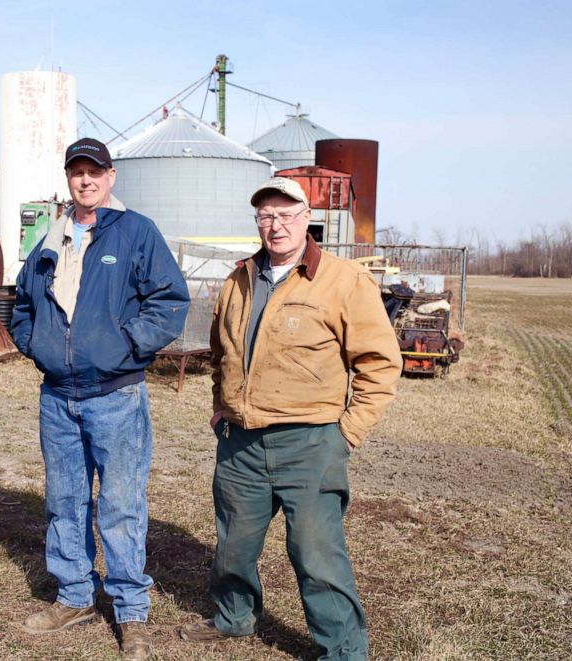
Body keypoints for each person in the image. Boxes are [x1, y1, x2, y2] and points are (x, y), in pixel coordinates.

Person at [178, 177, 401, 660]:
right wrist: (221, 409)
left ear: (306, 219)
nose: (274, 226)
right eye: (265, 217)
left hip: (311, 443)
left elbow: (380, 363)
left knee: (316, 554)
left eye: (285, 215)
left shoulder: (344, 280)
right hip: (240, 442)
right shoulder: (239, 280)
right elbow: (222, 353)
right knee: (233, 544)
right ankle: (234, 618)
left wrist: (347, 433)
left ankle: (342, 651)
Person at [10, 138, 189, 659]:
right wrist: (35, 344)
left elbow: (169, 301)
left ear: (111, 177)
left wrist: (126, 345)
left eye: (94, 172)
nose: (85, 181)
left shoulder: (136, 232)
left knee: (119, 503)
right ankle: (74, 596)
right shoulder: (54, 234)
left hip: (116, 395)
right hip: (58, 396)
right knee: (64, 499)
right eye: (77, 173)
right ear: (68, 179)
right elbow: (23, 301)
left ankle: (131, 610)